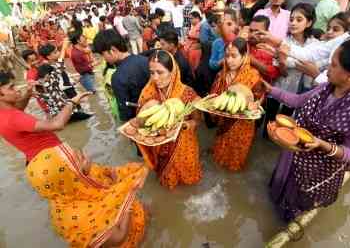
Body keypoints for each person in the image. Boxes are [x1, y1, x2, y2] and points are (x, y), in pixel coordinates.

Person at [0, 71, 148, 248]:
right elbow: (57, 124)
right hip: (51, 160)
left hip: (35, 165)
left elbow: (16, 112)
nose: (16, 89)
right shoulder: (14, 117)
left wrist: (29, 94)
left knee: (73, 195)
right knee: (92, 186)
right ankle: (120, 210)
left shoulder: (4, 114)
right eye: (11, 88)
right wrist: (73, 101)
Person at [266, 39, 350, 221]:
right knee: (278, 189)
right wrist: (270, 90)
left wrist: (322, 145)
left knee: (294, 206)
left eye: (333, 65)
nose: (326, 70)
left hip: (317, 169)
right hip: (296, 150)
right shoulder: (327, 87)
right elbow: (299, 101)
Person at [136, 50, 202, 189]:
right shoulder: (147, 93)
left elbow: (197, 120)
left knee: (190, 184)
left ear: (172, 72)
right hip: (160, 149)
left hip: (185, 148)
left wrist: (186, 124)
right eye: (152, 72)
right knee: (168, 184)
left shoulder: (187, 92)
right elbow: (140, 124)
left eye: (160, 72)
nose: (155, 78)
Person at [210, 38, 265, 171]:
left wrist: (255, 104)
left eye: (234, 56)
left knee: (236, 156)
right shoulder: (221, 74)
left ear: (244, 56)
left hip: (242, 125)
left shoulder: (253, 75)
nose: (229, 60)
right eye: (227, 56)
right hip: (224, 120)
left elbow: (259, 98)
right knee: (220, 154)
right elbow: (214, 97)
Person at [93, 29, 150, 122]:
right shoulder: (145, 60)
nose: (104, 59)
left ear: (112, 50)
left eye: (103, 55)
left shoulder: (117, 77)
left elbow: (125, 112)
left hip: (139, 120)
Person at [248, 15, 280, 83]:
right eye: (251, 31)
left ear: (266, 32)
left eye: (257, 32)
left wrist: (250, 60)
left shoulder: (273, 50)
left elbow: (273, 73)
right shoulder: (244, 45)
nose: (252, 34)